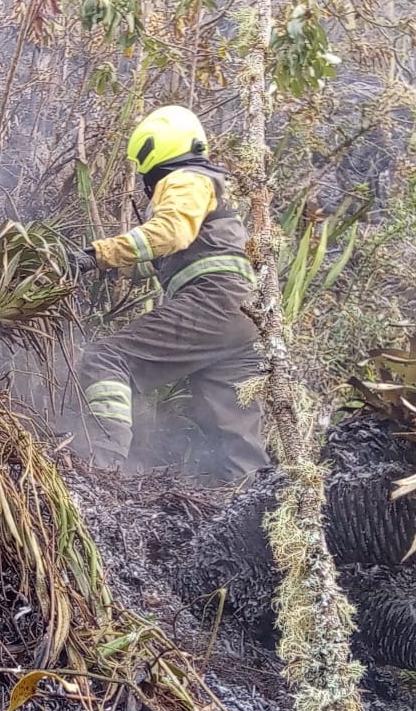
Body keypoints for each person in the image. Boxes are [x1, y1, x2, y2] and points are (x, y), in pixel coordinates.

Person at [70, 105, 270, 483]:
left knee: (107, 359)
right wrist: (109, 267)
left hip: (213, 303)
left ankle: (99, 471)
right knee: (235, 438)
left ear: (154, 153)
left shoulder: (186, 178)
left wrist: (95, 255)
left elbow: (170, 233)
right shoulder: (215, 191)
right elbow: (179, 254)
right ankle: (249, 518)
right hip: (246, 320)